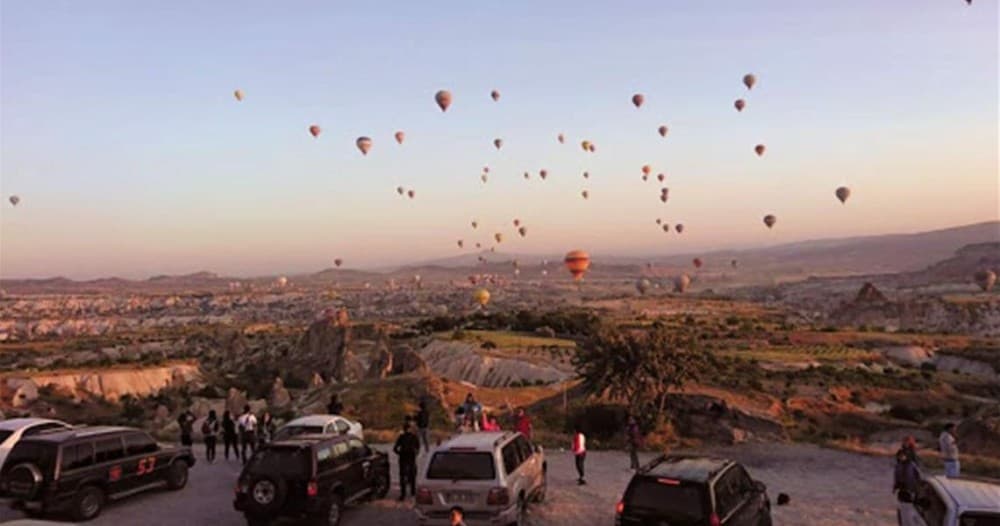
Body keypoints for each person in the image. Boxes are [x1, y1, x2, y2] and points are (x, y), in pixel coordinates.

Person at [393, 422, 420, 500]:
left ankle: (403, 494)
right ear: (409, 429)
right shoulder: (414, 437)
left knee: (402, 476)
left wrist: (400, 453)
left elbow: (395, 448)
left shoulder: (401, 437)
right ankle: (413, 492)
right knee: (412, 475)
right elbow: (418, 447)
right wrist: (415, 454)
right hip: (411, 457)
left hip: (403, 457)